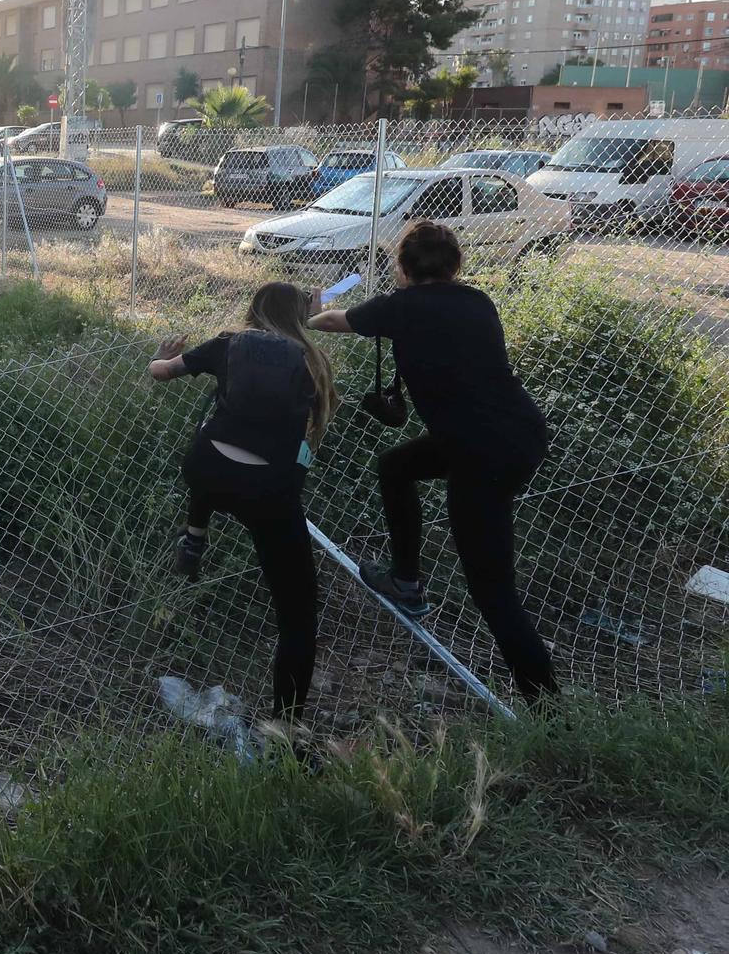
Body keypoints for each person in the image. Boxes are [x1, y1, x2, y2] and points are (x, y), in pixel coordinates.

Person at [309, 220, 558, 702]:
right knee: (397, 466)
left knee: (492, 590)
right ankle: (406, 579)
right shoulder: (477, 301)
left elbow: (331, 321)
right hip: (520, 433)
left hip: (479, 452)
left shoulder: (400, 307)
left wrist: (310, 310)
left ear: (401, 268)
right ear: (456, 266)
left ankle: (549, 712)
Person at [149, 282, 339, 721]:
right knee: (298, 615)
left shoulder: (228, 343)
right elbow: (312, 429)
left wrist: (160, 354)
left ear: (252, 311)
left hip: (207, 469)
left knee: (210, 449)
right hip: (268, 489)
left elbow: (161, 372)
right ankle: (287, 724)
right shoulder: (311, 361)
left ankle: (195, 533)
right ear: (299, 317)